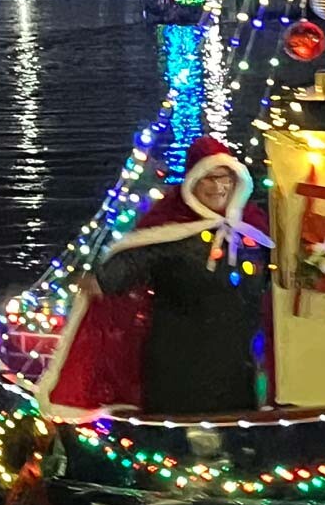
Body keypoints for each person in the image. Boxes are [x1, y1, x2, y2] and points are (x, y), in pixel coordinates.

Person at [37, 136, 274, 419]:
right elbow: (133, 259)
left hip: (235, 358)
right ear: (192, 183)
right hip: (179, 357)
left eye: (225, 178)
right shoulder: (171, 226)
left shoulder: (253, 228)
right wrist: (102, 280)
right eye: (208, 178)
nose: (218, 187)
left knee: (233, 421)